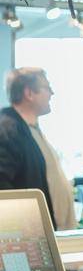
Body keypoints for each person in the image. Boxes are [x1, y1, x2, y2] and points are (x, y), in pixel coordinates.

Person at [0, 68, 77, 229]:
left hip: (49, 232)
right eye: (47, 88)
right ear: (29, 93)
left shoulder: (29, 128)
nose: (52, 93)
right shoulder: (7, 129)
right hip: (29, 234)